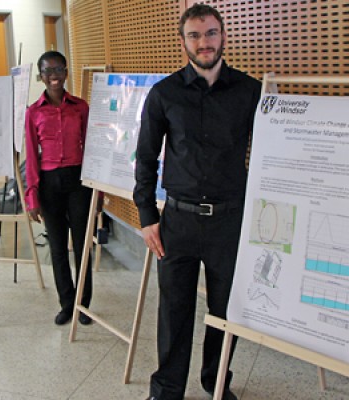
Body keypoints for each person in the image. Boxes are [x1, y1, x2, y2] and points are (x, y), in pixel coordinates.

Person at [133, 4, 261, 400]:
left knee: (225, 312)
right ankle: (167, 387)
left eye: (209, 33)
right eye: (194, 35)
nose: (203, 42)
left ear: (223, 35)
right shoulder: (164, 93)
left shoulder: (250, 91)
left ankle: (216, 380)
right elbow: (145, 156)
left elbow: (271, 153)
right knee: (174, 311)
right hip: (178, 221)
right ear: (183, 41)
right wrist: (146, 216)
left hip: (230, 221)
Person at [25, 51, 93, 326]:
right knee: (57, 246)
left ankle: (83, 304)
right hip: (49, 183)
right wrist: (32, 196)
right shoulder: (33, 112)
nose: (53, 76)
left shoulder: (81, 107)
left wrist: (96, 190)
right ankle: (66, 303)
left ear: (66, 72)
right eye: (47, 71)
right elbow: (31, 155)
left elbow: (91, 149)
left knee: (81, 244)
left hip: (78, 181)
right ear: (41, 76)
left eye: (58, 69)